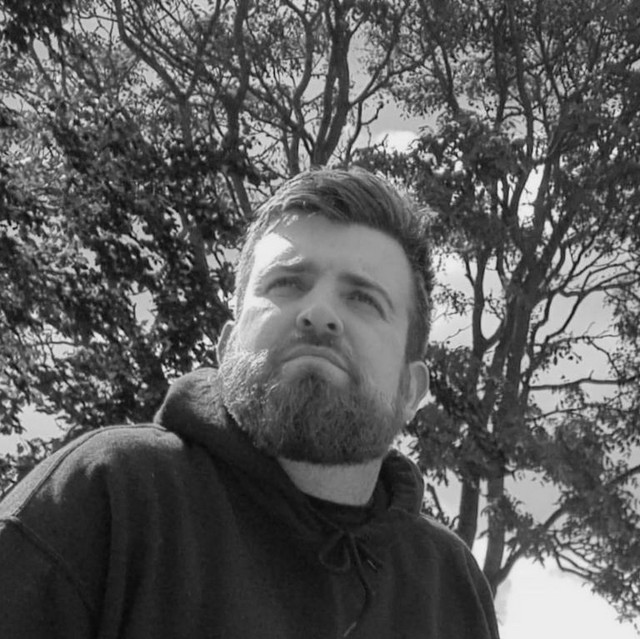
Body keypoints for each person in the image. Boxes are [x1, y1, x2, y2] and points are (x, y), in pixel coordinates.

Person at [0, 167, 500, 638]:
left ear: (411, 390)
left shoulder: (451, 586)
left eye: (364, 299)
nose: (319, 312)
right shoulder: (107, 493)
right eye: (287, 284)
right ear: (225, 347)